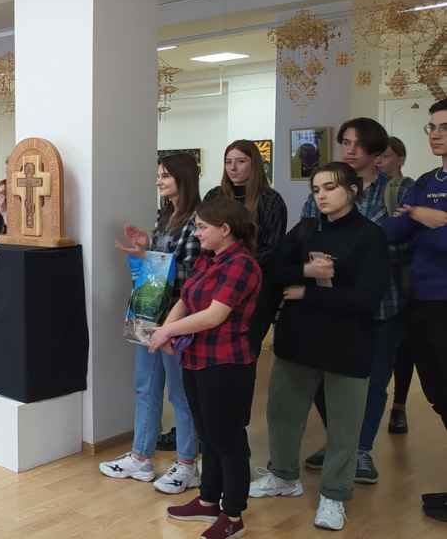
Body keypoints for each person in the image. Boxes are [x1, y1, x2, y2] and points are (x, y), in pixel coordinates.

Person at [250, 162, 389, 532]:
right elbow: (272, 270)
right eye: (316, 189)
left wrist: (307, 293)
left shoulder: (370, 236)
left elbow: (366, 299)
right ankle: (283, 476)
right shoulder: (307, 228)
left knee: (344, 426)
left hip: (348, 342)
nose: (322, 196)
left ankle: (334, 494)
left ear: (353, 190)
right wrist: (305, 273)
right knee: (282, 412)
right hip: (298, 338)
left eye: (330, 187)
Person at [299, 119, 414, 484]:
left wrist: (358, 250)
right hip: (330, 301)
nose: (350, 149)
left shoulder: (396, 191)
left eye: (359, 144)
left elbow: (406, 242)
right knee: (324, 380)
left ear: (376, 151)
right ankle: (341, 443)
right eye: (345, 142)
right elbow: (306, 238)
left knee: (373, 381)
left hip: (383, 303)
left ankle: (360, 450)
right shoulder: (321, 191)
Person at [148, 197, 262, 539]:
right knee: (207, 436)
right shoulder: (207, 259)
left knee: (228, 440)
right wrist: (167, 328)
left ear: (225, 229)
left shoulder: (242, 265)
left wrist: (167, 332)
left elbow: (215, 314)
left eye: (202, 227)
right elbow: (185, 299)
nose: (196, 233)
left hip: (226, 364)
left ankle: (233, 515)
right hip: (197, 359)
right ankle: (209, 499)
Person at [104, 153, 201, 495]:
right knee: (145, 386)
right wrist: (147, 248)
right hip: (150, 314)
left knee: (180, 393)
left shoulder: (197, 220)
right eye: (159, 175)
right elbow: (162, 264)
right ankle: (141, 457)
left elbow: (192, 275)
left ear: (183, 179)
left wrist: (151, 257)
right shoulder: (166, 216)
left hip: (178, 318)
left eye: (165, 176)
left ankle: (187, 464)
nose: (159, 181)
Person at [384, 100, 447, 521]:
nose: (436, 134)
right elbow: (396, 228)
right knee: (438, 394)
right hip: (422, 301)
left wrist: (433, 220)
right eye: (432, 126)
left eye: (444, 127)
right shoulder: (426, 181)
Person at [204, 140, 287, 358]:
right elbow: (203, 237)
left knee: (245, 349)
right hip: (216, 280)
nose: (233, 168)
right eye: (228, 162)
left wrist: (237, 267)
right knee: (214, 345)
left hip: (255, 284)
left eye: (240, 161)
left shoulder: (270, 200)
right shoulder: (215, 196)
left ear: (254, 164)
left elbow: (272, 247)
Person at [379, 136, 417, 434]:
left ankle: (399, 406)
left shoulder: (408, 189)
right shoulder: (365, 189)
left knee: (404, 346)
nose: (381, 161)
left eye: (387, 156)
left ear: (400, 159)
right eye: (377, 156)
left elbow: (407, 234)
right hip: (376, 280)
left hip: (403, 279)